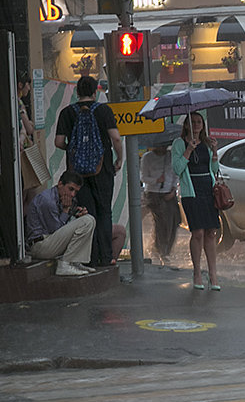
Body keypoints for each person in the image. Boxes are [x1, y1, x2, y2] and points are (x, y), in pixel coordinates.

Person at [54, 75, 124, 269]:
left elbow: (59, 142)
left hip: (77, 175)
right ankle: (106, 256)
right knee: (104, 212)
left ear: (77, 92)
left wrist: (74, 151)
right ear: (95, 92)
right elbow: (116, 139)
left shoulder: (67, 113)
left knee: (86, 215)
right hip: (103, 170)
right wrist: (119, 158)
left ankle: (90, 258)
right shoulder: (104, 110)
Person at [173, 112, 221, 291]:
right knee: (198, 232)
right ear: (186, 125)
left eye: (199, 122)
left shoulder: (207, 143)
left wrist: (215, 153)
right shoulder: (179, 144)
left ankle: (213, 274)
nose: (196, 125)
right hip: (191, 193)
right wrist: (188, 151)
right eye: (192, 122)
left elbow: (214, 169)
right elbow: (177, 168)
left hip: (208, 190)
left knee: (210, 233)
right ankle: (197, 272)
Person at [24, 170, 97, 277]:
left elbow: (63, 227)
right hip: (40, 246)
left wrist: (77, 214)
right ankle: (65, 265)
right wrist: (66, 210)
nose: (72, 194)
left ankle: (74, 262)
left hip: (50, 242)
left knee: (88, 219)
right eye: (70, 189)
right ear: (60, 184)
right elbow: (55, 230)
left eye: (76, 192)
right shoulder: (47, 200)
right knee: (87, 221)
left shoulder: (63, 198)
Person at [141, 142, 180, 267]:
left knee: (174, 221)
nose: (162, 148)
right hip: (154, 193)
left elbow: (175, 174)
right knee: (162, 221)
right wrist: (156, 180)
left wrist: (173, 190)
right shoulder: (147, 158)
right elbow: (143, 177)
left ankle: (163, 247)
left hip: (169, 193)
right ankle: (161, 250)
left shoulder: (170, 156)